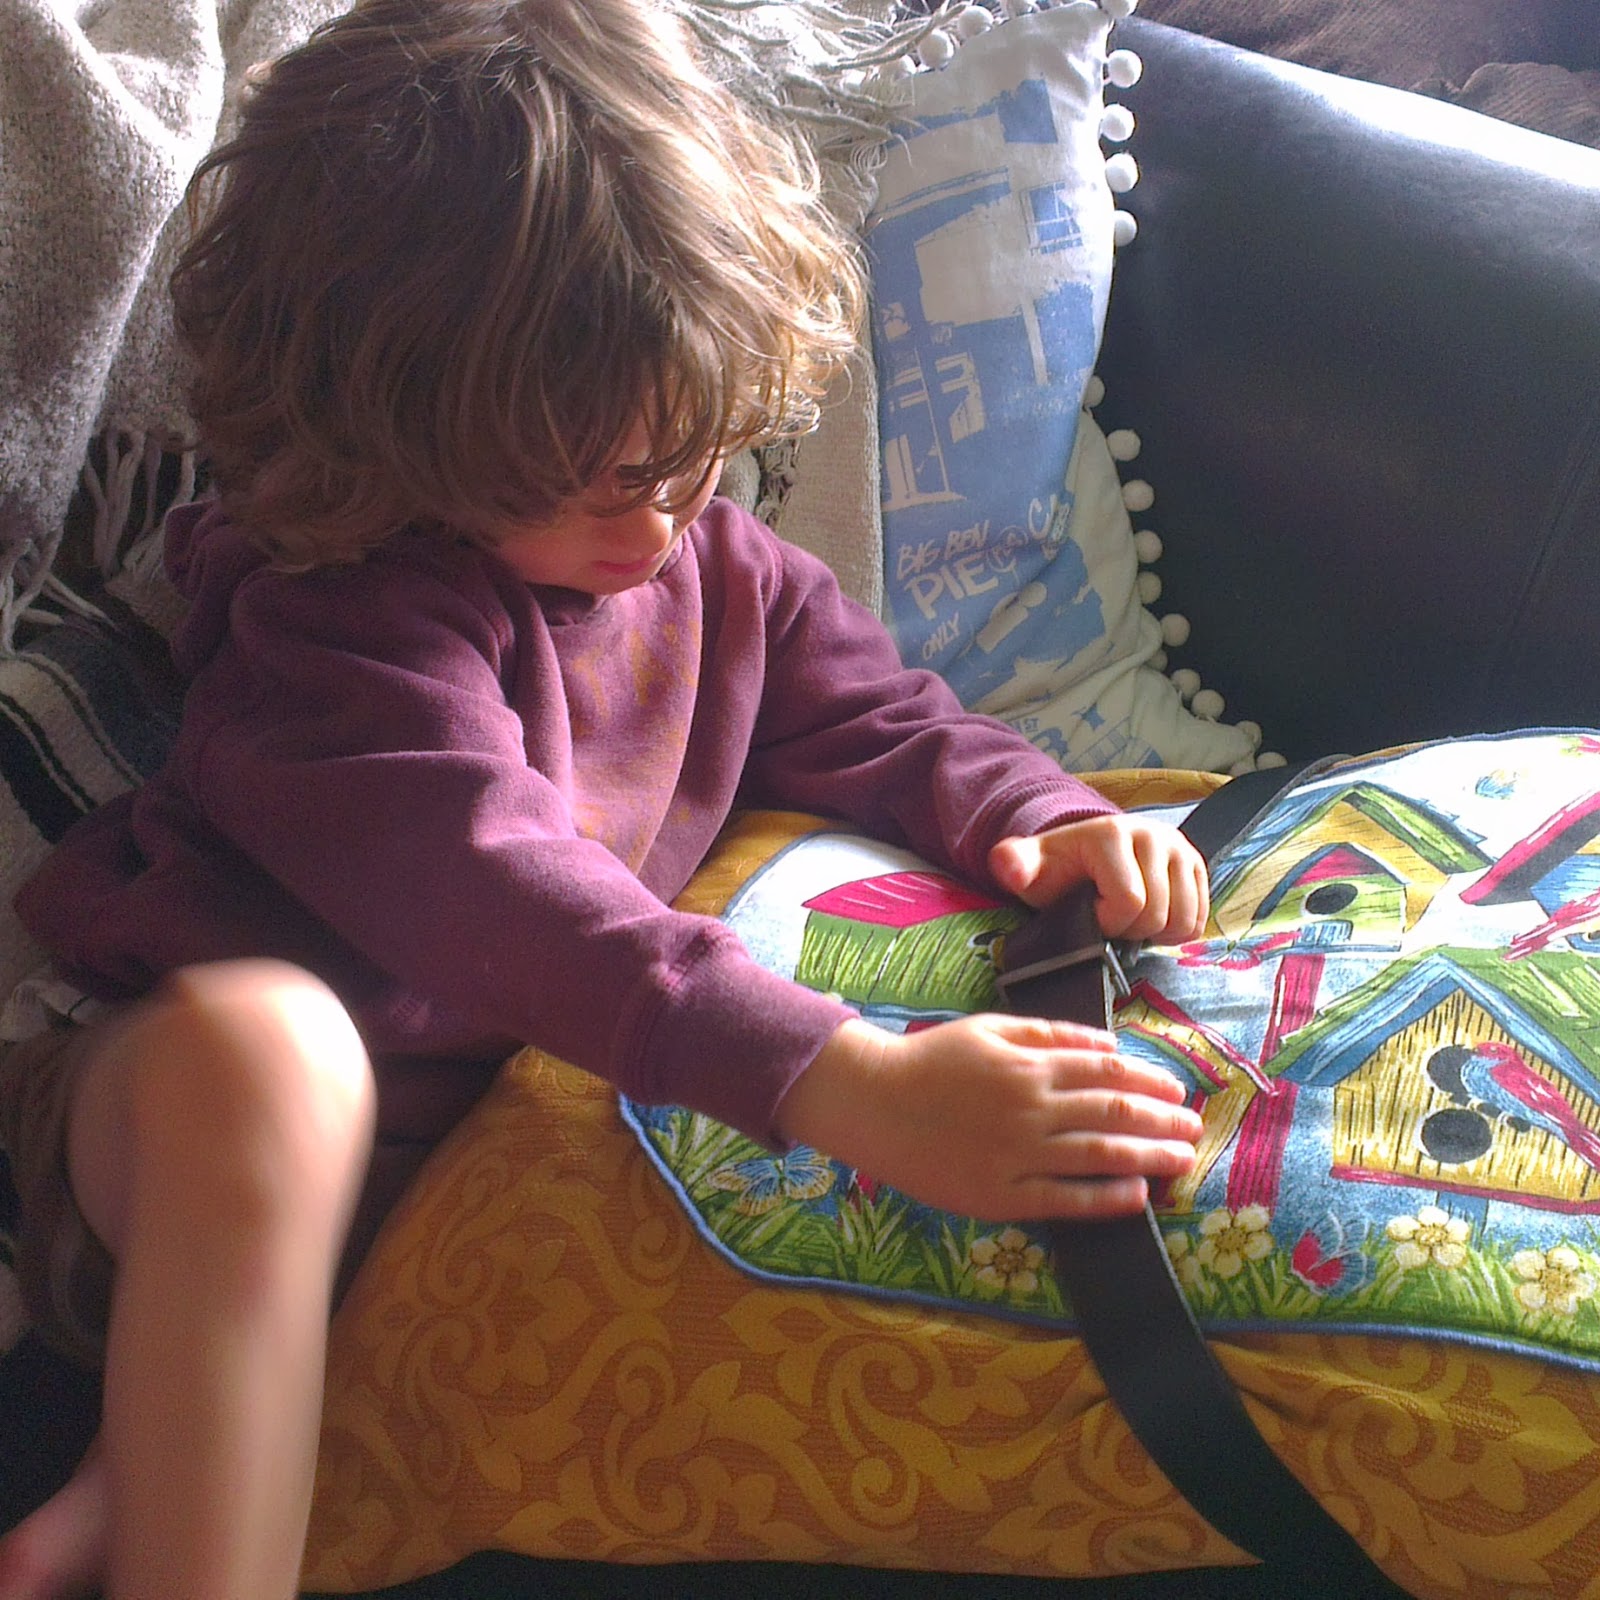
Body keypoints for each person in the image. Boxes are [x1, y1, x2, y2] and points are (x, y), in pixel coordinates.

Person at [0, 0, 1210, 1593]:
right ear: (387, 436)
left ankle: (131, 1480)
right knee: (272, 1057)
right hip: (165, 1143)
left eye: (693, 457)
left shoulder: (708, 556)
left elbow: (879, 713)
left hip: (428, 1201)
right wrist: (849, 1083)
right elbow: (504, 890)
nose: (660, 528)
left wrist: (1040, 813)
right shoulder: (335, 630)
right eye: (595, 484)